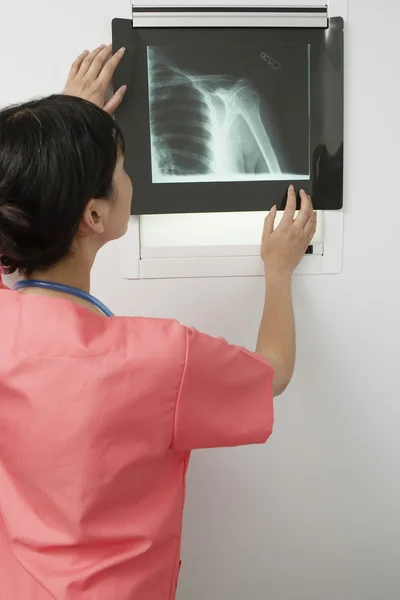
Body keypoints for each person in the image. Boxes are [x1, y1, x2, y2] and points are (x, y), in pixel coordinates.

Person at [0, 45, 316, 600]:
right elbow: (275, 372)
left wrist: (61, 132)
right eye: (121, 172)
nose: (129, 180)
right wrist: (278, 267)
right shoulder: (160, 358)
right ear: (94, 216)